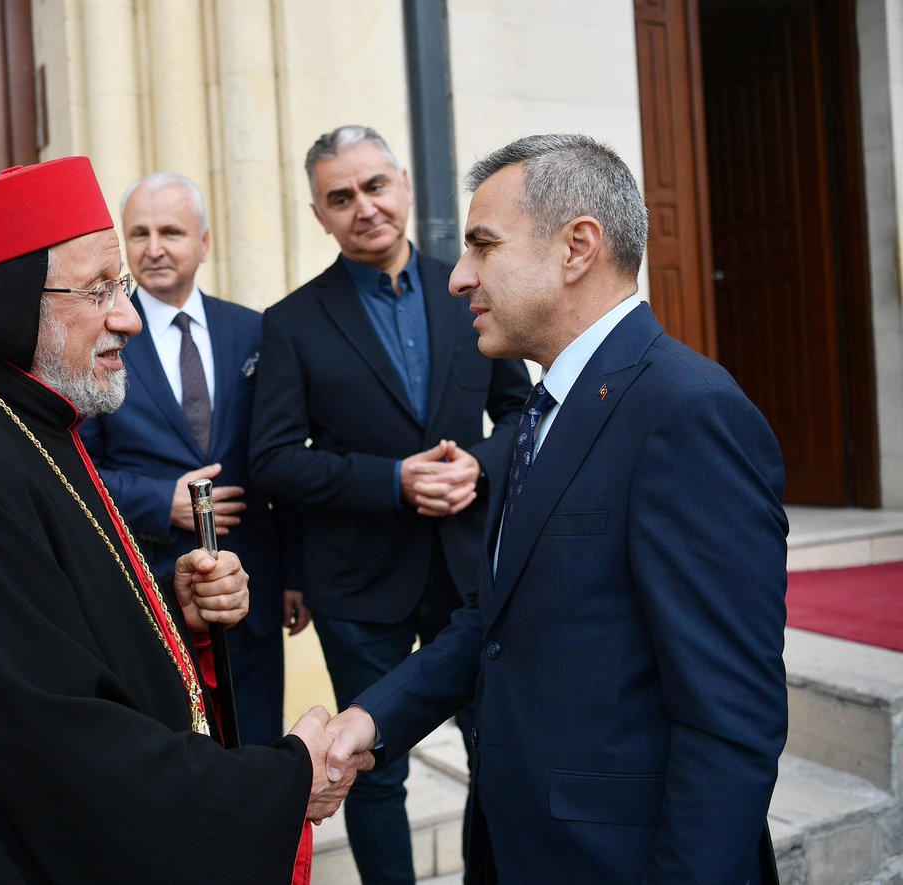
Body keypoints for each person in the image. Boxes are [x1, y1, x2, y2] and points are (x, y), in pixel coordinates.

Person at [0, 157, 365, 883]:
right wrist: (279, 780)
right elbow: (55, 741)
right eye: (99, 290)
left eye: (118, 286)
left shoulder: (36, 419)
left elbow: (52, 623)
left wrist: (166, 606)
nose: (127, 314)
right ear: (17, 300)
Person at [326, 133, 788, 883]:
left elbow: (729, 723)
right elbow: (498, 619)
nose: (459, 277)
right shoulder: (540, 414)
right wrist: (373, 717)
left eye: (482, 245)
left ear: (577, 248)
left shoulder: (689, 413)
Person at [248, 125, 531, 884]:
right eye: (341, 197)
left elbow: (522, 414)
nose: (363, 207)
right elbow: (271, 459)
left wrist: (478, 461)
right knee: (371, 770)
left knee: (496, 750)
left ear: (404, 185)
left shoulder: (471, 287)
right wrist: (392, 480)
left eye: (375, 186)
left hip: (471, 569)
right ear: (319, 215)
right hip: (358, 581)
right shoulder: (292, 322)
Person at [78, 172, 306, 747]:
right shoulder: (101, 336)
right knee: (175, 758)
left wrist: (293, 575)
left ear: (204, 243)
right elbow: (73, 469)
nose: (154, 248)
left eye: (172, 231)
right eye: (140, 233)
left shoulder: (254, 330)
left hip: (250, 594)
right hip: (149, 591)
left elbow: (282, 461)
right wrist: (162, 501)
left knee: (256, 753)